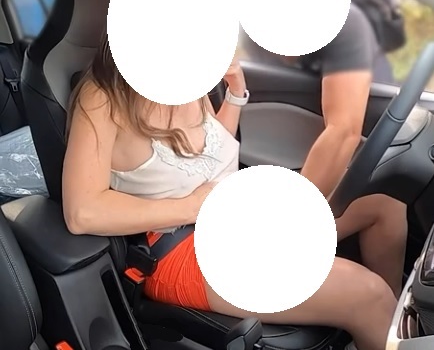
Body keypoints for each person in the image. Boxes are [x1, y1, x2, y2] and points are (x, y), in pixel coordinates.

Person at [63, 28, 400, 350]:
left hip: (236, 217)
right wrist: (191, 206)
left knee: (384, 208)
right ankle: (383, 325)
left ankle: (392, 327)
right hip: (177, 248)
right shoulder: (102, 97)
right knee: (367, 294)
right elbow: (82, 212)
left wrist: (236, 94)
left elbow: (208, 151)